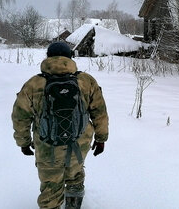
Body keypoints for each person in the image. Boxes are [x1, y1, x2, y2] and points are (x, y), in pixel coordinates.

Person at [12, 42, 109, 209]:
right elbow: (99, 112)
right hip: (79, 142)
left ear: (48, 57)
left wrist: (24, 142)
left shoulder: (34, 83)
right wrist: (101, 139)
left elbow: (20, 116)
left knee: (51, 185)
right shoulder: (86, 81)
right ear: (70, 57)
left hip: (47, 145)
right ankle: (73, 204)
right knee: (75, 175)